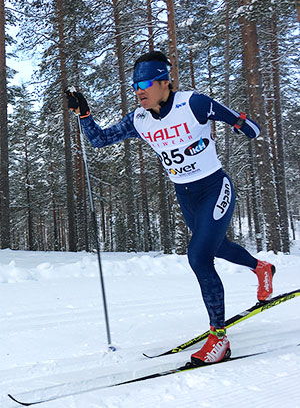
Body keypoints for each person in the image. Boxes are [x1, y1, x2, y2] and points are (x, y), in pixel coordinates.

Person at [65, 50, 275, 365]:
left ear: (165, 82)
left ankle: (219, 338)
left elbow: (252, 128)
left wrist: (242, 125)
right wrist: (84, 114)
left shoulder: (194, 104)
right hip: (186, 194)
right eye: (135, 85)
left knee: (198, 256)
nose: (140, 90)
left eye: (146, 83)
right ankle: (262, 269)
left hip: (215, 187)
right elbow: (98, 140)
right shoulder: (139, 119)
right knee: (216, 249)